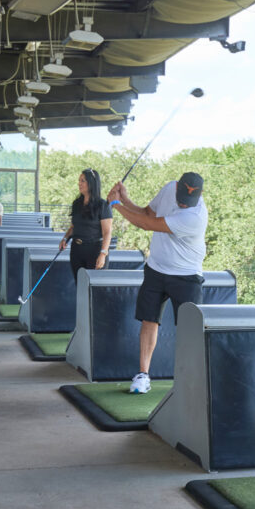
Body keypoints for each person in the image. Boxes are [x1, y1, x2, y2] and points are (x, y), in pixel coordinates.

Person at [106, 172, 207, 395]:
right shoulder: (169, 188)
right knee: (148, 320)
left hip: (186, 276)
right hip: (156, 269)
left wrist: (115, 204)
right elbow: (147, 213)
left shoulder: (195, 217)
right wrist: (125, 199)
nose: (183, 203)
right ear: (177, 187)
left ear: (199, 195)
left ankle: (193, 379)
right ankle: (143, 375)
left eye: (188, 201)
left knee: (190, 328)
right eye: (182, 198)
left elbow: (147, 224)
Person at [59, 168, 113, 283]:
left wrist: (103, 254)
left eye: (82, 181)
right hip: (76, 251)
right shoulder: (76, 204)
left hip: (95, 251)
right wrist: (65, 238)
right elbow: (73, 227)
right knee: (80, 286)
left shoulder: (103, 205)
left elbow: (107, 232)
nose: (79, 183)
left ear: (91, 183)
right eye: (79, 180)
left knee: (94, 287)